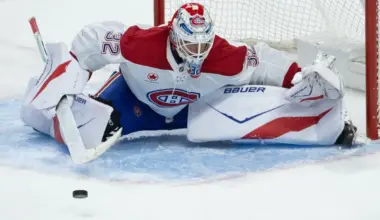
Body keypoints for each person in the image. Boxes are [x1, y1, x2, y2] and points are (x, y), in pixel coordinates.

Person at [20, 2, 357, 163]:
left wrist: (298, 76)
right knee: (82, 125)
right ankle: (49, 118)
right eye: (190, 44)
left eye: (203, 44)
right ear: (174, 35)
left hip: (190, 109)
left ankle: (327, 125)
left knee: (259, 99)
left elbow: (263, 59)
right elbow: (91, 42)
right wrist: (70, 78)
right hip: (132, 102)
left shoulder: (223, 55)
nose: (197, 52)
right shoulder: (141, 43)